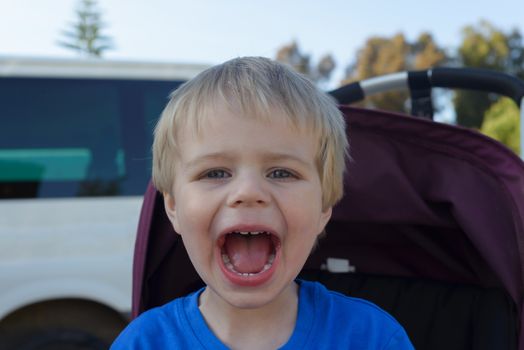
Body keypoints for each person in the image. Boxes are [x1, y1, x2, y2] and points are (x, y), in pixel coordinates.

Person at [111, 57, 414, 350]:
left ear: (323, 208)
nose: (248, 191)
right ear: (173, 207)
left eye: (281, 173)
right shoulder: (143, 342)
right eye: (215, 172)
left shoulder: (372, 338)